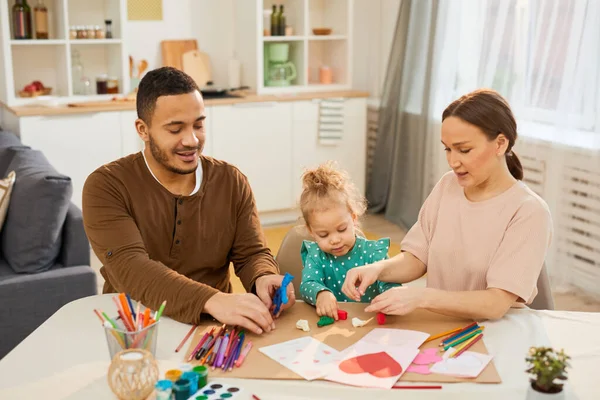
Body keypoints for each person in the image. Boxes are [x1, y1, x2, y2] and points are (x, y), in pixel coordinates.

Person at [82, 67, 294, 335]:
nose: (191, 140)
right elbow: (131, 267)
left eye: (198, 125)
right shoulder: (106, 186)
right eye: (175, 129)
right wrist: (213, 300)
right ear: (143, 130)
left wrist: (263, 276)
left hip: (213, 327)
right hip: (134, 327)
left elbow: (251, 252)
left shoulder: (231, 181)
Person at [342, 89, 553, 320]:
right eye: (447, 149)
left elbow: (495, 303)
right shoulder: (447, 186)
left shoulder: (529, 211)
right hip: (442, 325)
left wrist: (421, 297)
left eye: (464, 150)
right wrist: (378, 269)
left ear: (500, 143)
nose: (453, 161)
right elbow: (416, 258)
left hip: (497, 332)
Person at [298, 162, 400, 320]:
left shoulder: (372, 253)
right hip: (333, 328)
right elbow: (307, 284)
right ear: (311, 231)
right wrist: (321, 294)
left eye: (341, 229)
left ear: (353, 219)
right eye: (324, 235)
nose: (335, 240)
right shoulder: (316, 256)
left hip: (370, 324)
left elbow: (389, 280)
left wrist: (390, 296)